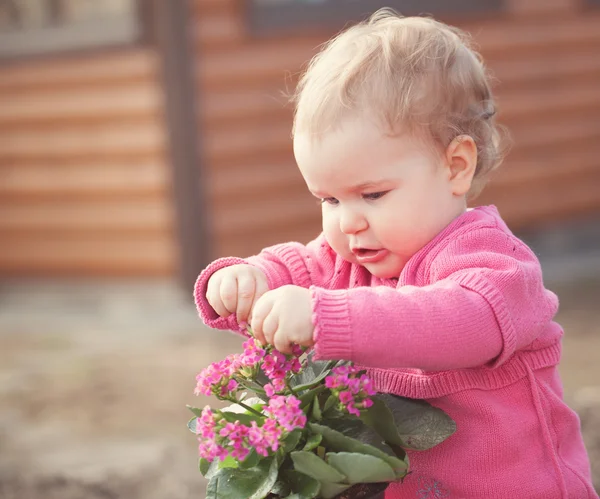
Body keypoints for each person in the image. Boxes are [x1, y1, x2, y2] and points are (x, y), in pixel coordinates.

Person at [193, 9, 597, 498]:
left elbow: (460, 321)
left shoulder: (493, 263)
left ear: (456, 167)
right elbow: (295, 266)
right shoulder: (349, 257)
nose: (348, 221)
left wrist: (324, 318)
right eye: (329, 199)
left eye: (373, 194)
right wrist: (246, 278)